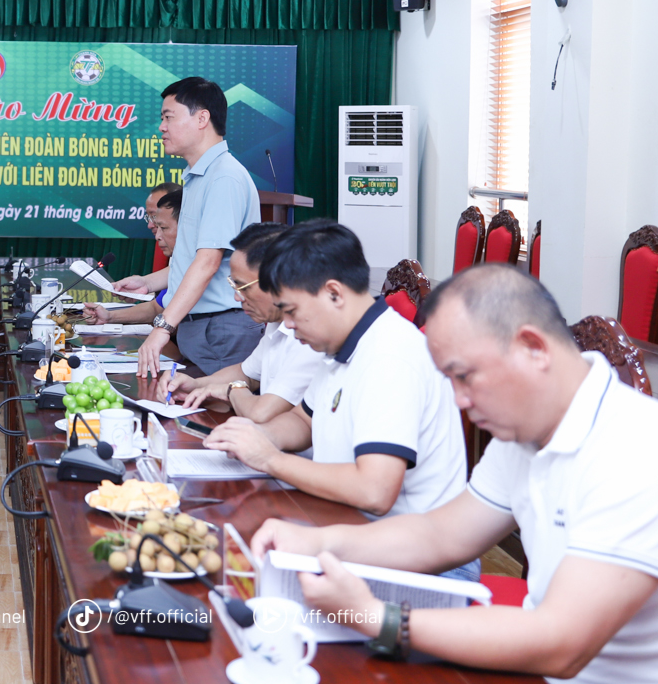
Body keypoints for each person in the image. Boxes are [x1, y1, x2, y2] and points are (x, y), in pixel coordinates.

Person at [252, 265, 658, 679]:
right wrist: (314, 541)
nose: (460, 401)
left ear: (533, 347)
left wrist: (377, 617)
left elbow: (562, 644)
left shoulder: (635, 449)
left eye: (465, 376)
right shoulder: (523, 430)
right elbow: (440, 535)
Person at [203, 221, 471, 576]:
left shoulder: (391, 357)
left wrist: (270, 460)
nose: (289, 325)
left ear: (334, 293)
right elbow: (302, 421)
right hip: (350, 530)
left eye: (293, 311)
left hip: (417, 563)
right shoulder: (341, 346)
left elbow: (374, 491)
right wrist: (252, 437)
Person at [132, 77, 261, 377]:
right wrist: (148, 283)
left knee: (217, 419)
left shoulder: (223, 177)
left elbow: (207, 262)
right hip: (204, 329)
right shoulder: (197, 176)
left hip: (222, 329)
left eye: (168, 117)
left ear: (202, 117)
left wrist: (162, 327)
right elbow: (190, 258)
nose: (161, 127)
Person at [159, 222, 324, 423]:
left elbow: (262, 413)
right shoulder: (276, 321)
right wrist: (195, 384)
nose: (237, 298)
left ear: (279, 279)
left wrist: (231, 391)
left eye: (243, 287)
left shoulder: (312, 336)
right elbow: (248, 373)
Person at [83, 185, 181, 326]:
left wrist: (161, 332)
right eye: (150, 217)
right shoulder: (178, 265)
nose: (157, 234)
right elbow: (157, 308)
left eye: (163, 226)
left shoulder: (205, 263)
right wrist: (109, 317)